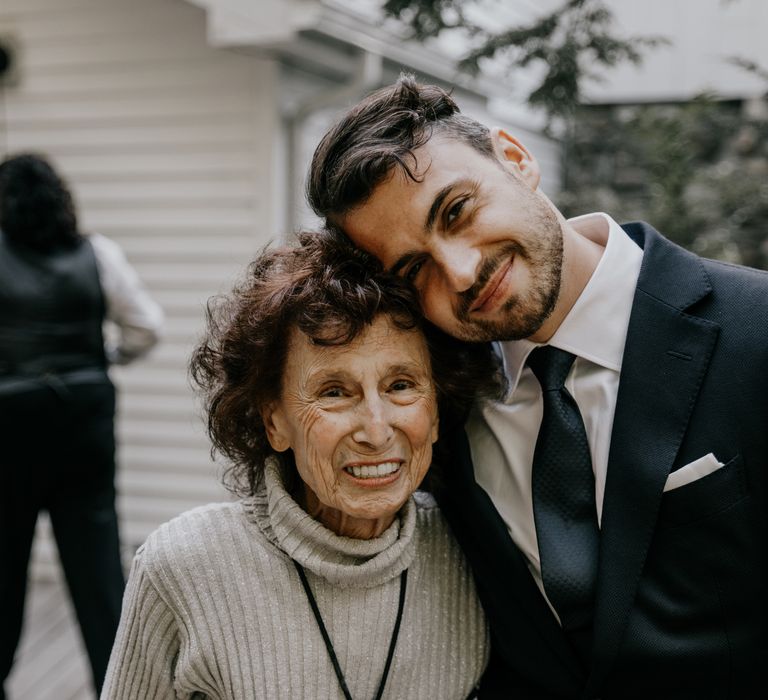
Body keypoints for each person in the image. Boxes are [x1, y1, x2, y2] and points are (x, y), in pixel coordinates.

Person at [306, 75, 768, 699]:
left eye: (457, 212)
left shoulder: (756, 330)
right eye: (414, 269)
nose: (462, 271)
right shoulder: (437, 403)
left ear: (517, 160)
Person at [101, 231, 494, 699]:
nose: (376, 429)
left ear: (434, 414)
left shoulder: (479, 553)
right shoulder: (182, 569)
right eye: (334, 392)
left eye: (401, 385)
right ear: (274, 422)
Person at [0, 153, 163, 699]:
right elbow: (145, 327)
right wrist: (103, 360)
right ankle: (120, 687)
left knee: (3, 563)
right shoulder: (99, 254)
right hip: (82, 423)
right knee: (96, 568)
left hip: (9, 428)